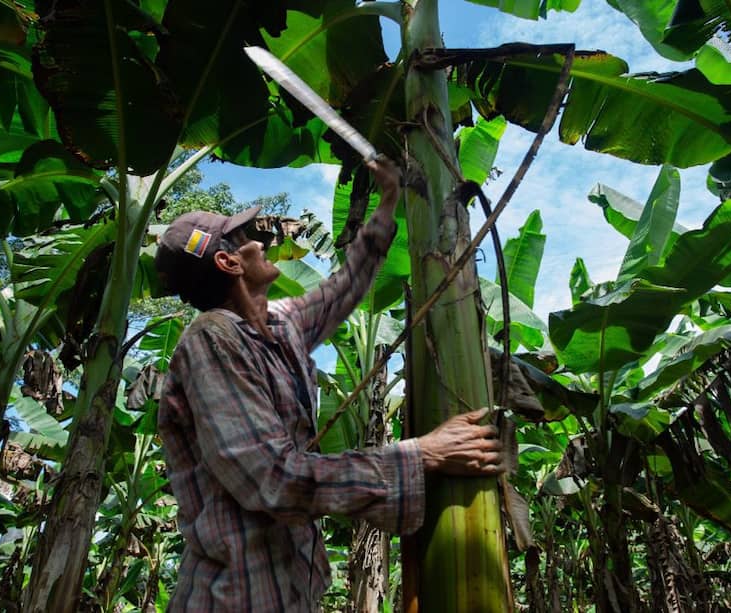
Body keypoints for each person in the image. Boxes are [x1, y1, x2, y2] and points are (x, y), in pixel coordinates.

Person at [154, 159, 506, 611]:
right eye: (246, 240)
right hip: (235, 597)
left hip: (291, 589)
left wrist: (389, 205)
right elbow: (272, 478)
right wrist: (423, 455)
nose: (261, 243)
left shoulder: (278, 327)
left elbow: (342, 289)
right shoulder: (211, 339)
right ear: (227, 261)